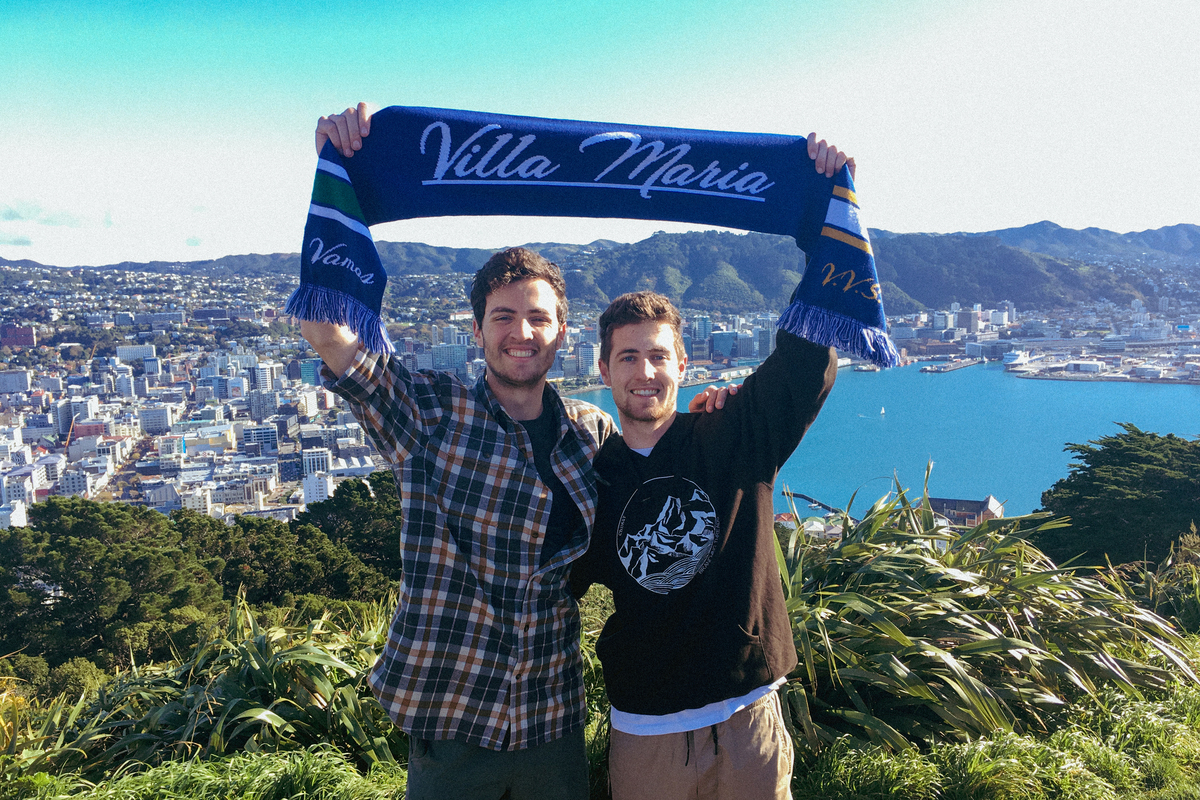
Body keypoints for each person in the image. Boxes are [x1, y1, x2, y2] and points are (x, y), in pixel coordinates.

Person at [302, 104, 763, 800]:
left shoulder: (590, 431)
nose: (523, 331)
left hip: (550, 718)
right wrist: (337, 174)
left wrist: (711, 418)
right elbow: (327, 328)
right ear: (479, 329)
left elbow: (659, 473)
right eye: (504, 317)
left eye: (539, 317)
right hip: (452, 716)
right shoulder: (430, 412)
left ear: (562, 333)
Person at [570, 289, 839, 799]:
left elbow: (805, 364)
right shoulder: (592, 480)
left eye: (658, 356)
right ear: (604, 370)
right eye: (628, 357)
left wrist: (823, 246)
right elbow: (546, 578)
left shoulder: (733, 433)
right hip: (645, 731)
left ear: (683, 364)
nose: (644, 371)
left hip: (750, 719)